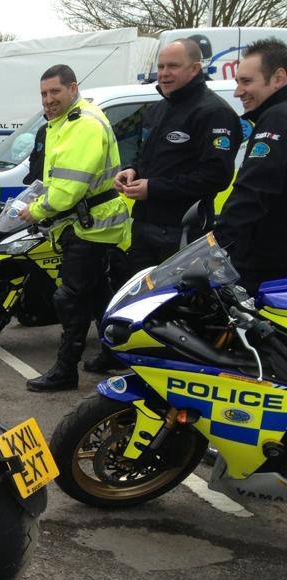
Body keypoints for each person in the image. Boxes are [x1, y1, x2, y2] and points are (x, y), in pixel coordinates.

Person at [90, 39, 244, 372]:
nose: (164, 73)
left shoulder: (213, 112)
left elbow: (217, 176)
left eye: (173, 66)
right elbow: (148, 158)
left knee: (174, 307)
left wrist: (154, 188)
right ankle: (121, 355)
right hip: (144, 223)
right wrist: (132, 171)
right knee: (132, 295)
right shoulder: (158, 108)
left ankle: (169, 370)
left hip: (182, 230)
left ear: (195, 68)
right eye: (161, 66)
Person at [17, 64, 130, 392]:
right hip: (86, 223)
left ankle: (66, 371)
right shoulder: (64, 122)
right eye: (44, 93)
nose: (48, 99)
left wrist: (36, 211)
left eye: (55, 91)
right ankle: (114, 352)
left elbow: (68, 189)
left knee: (71, 298)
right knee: (97, 294)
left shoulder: (83, 124)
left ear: (73, 89)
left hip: (89, 226)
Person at [214, 38, 287, 295]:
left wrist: (216, 244)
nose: (238, 92)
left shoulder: (278, 117)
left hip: (269, 267)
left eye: (246, 81)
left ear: (278, 78)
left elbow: (255, 188)